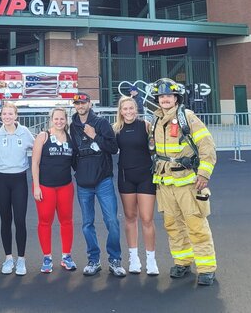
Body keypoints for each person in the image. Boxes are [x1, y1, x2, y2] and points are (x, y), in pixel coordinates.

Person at [150, 78, 218, 286]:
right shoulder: (155, 119)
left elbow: (207, 145)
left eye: (169, 96)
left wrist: (204, 174)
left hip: (187, 181)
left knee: (196, 224)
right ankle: (182, 262)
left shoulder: (187, 117)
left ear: (176, 98)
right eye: (161, 96)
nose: (165, 99)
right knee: (173, 226)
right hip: (165, 182)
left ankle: (206, 268)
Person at [68, 92, 125, 277]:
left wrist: (94, 136)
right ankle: (94, 260)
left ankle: (115, 259)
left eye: (83, 102)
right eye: (77, 103)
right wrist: (79, 171)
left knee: (112, 222)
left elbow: (113, 148)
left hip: (103, 181)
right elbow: (74, 153)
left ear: (89, 104)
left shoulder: (101, 123)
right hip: (84, 182)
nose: (80, 105)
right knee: (87, 224)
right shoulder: (73, 126)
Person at [113, 95, 158, 275]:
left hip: (146, 176)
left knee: (147, 218)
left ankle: (151, 260)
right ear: (120, 111)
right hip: (126, 177)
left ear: (136, 109)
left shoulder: (146, 126)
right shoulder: (116, 129)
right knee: (130, 217)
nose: (128, 112)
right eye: (125, 109)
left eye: (131, 108)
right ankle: (133, 258)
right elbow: (107, 147)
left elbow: (156, 147)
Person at [31, 106, 76, 274]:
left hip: (65, 186)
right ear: (51, 120)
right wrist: (36, 186)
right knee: (45, 222)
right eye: (56, 119)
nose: (59, 122)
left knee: (67, 221)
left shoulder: (70, 138)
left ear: (66, 120)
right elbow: (35, 163)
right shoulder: (43, 136)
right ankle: (47, 257)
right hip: (45, 187)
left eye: (62, 119)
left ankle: (66, 256)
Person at [0, 102, 35, 275]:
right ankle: (8, 258)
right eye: (4, 114)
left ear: (16, 116)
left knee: (20, 220)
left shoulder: (24, 132)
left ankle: (21, 260)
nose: (7, 117)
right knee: (5, 221)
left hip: (19, 180)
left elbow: (38, 147)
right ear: (1, 116)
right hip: (1, 179)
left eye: (10, 114)